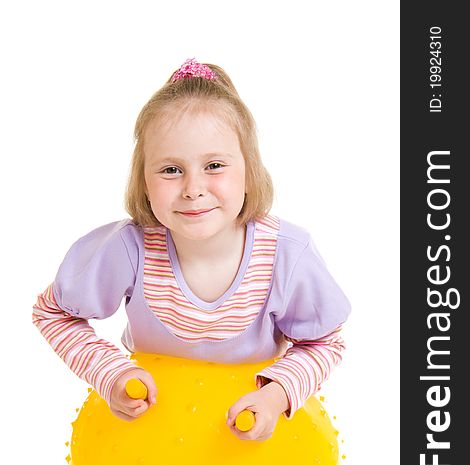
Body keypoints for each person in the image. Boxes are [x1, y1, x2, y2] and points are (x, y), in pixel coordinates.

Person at [32, 58, 351, 442]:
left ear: (248, 171)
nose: (192, 188)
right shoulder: (129, 249)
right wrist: (112, 372)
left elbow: (325, 341)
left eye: (214, 165)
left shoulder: (286, 254)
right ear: (143, 181)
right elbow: (52, 313)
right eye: (170, 170)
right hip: (148, 442)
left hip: (255, 447)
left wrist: (276, 394)